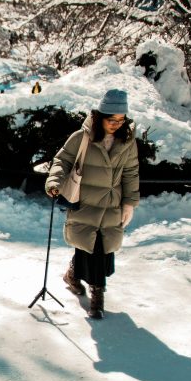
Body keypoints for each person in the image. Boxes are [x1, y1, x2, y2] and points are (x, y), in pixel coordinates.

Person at [45, 89, 140, 319]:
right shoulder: (82, 137)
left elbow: (131, 172)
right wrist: (54, 181)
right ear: (100, 116)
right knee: (88, 245)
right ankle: (97, 296)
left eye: (121, 120)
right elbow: (63, 159)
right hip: (84, 201)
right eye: (111, 119)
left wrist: (129, 203)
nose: (116, 124)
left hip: (110, 204)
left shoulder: (127, 141)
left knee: (102, 250)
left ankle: (72, 275)